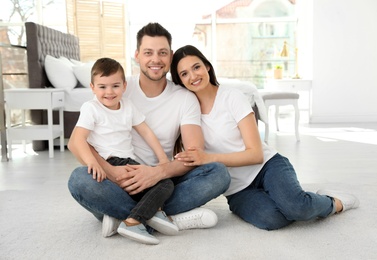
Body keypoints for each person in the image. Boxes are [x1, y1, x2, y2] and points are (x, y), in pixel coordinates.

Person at [67, 23, 231, 240]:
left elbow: (194, 152)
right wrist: (111, 172)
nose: (156, 59)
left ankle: (123, 215)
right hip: (120, 179)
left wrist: (158, 172)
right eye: (148, 53)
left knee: (218, 173)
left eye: (162, 53)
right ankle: (163, 217)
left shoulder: (184, 98)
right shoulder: (116, 87)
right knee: (79, 179)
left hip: (163, 179)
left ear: (171, 56)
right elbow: (80, 142)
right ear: (137, 55)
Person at [170, 45, 359, 230]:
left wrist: (209, 158)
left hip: (267, 167)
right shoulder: (187, 113)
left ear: (207, 67)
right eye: (184, 73)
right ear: (180, 81)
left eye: (196, 67)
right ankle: (301, 199)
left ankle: (332, 202)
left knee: (297, 208)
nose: (193, 76)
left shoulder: (231, 97)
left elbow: (256, 155)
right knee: (273, 220)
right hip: (238, 190)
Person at [70, 57, 178, 244]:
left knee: (163, 182)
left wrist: (163, 159)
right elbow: (78, 139)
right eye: (102, 87)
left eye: (115, 86)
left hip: (129, 162)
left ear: (124, 85)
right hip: (110, 162)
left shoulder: (128, 106)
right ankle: (136, 221)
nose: (109, 92)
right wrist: (93, 163)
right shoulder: (91, 108)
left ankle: (120, 217)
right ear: (92, 87)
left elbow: (146, 132)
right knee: (165, 185)